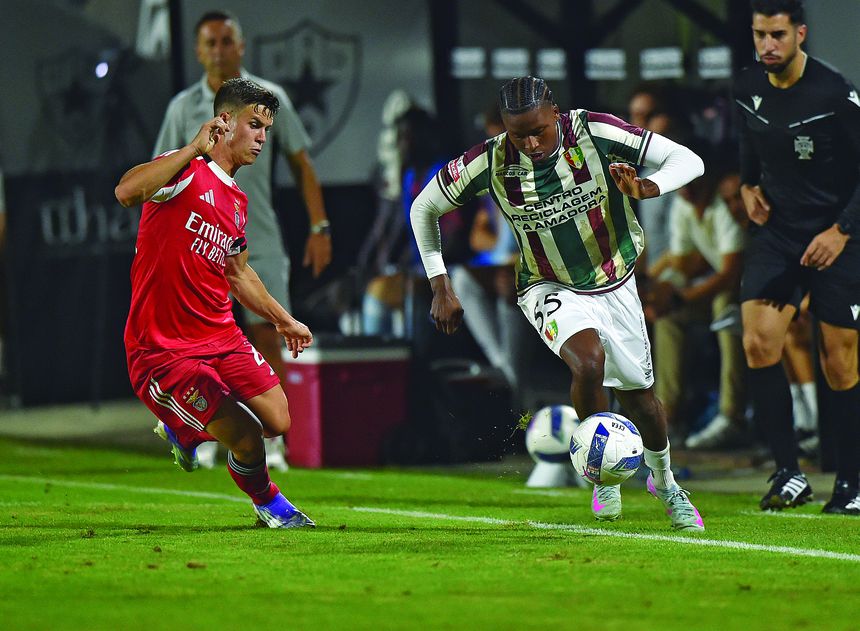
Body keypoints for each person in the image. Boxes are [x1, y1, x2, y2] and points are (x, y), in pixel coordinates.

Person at [411, 76, 706, 530]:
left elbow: (688, 160)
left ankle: (665, 483)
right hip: (546, 284)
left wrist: (648, 187)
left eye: (538, 131)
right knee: (587, 363)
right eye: (517, 134)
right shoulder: (489, 161)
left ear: (555, 113)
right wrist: (439, 283)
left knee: (641, 398)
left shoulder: (596, 132)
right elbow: (423, 208)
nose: (529, 142)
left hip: (615, 279)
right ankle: (603, 475)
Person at [116, 78, 314, 528]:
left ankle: (181, 427)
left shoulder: (237, 202)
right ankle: (270, 504)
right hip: (163, 351)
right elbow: (125, 192)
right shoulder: (182, 170)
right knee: (245, 436)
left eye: (267, 128)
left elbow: (239, 273)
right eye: (254, 124)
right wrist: (191, 149)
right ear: (224, 122)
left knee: (278, 420)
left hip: (220, 337)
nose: (262, 137)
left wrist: (285, 320)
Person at [154, 10, 331, 471]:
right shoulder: (182, 108)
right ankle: (213, 430)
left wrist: (319, 226)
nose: (218, 50)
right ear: (197, 51)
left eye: (226, 41)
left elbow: (301, 163)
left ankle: (271, 443)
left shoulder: (269, 100)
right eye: (210, 43)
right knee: (202, 341)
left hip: (259, 236)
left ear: (241, 46)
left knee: (266, 334)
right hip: (199, 242)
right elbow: (160, 172)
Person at [735, 0, 860, 514]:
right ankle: (789, 473)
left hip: (838, 237)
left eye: (778, 35)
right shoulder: (746, 85)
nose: (768, 46)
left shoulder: (835, 94)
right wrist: (746, 185)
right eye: (760, 35)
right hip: (780, 235)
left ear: (801, 34)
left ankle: (851, 484)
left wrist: (842, 231)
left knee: (839, 364)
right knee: (759, 342)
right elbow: (750, 142)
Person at [647, 152, 747, 450]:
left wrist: (680, 296)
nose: (686, 188)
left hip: (746, 292)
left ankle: (732, 415)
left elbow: (730, 273)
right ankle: (667, 416)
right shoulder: (682, 205)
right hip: (716, 287)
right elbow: (685, 263)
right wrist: (661, 292)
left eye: (692, 180)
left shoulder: (725, 204)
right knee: (668, 318)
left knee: (724, 308)